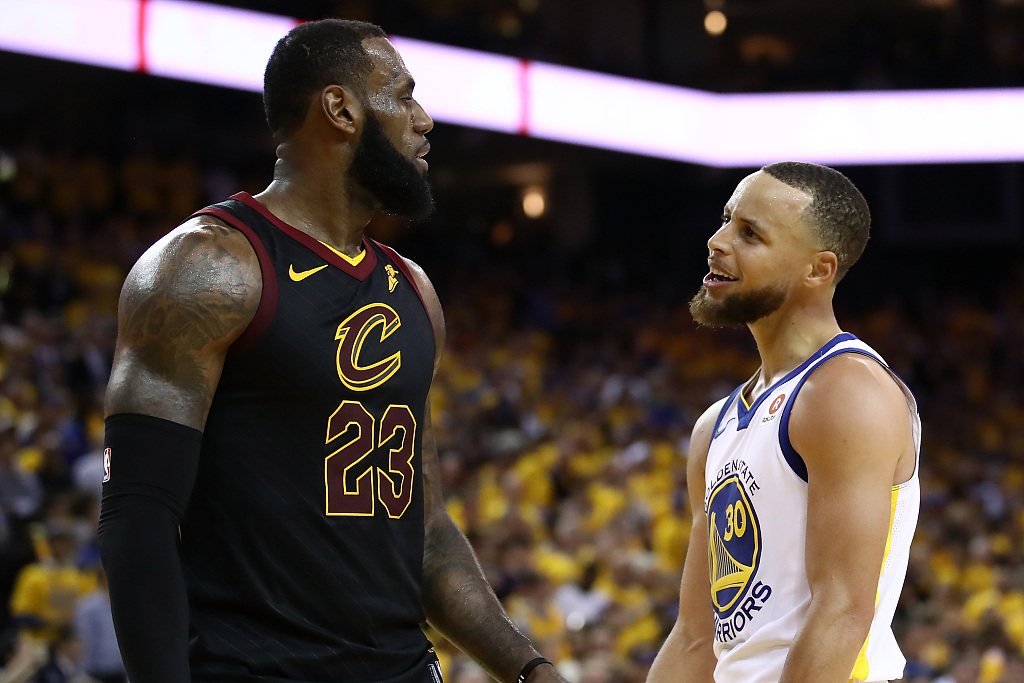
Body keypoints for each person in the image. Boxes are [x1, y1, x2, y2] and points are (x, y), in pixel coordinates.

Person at [98, 19, 564, 683]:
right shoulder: (208, 266)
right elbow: (138, 515)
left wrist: (528, 668)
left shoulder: (413, 289)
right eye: (403, 95)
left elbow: (428, 534)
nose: (424, 119)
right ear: (341, 109)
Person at [647, 162, 920, 683]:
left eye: (750, 234)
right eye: (726, 220)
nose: (717, 242)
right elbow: (696, 636)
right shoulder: (715, 426)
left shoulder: (846, 393)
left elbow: (842, 611)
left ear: (818, 270)